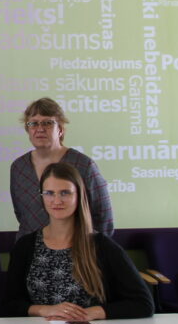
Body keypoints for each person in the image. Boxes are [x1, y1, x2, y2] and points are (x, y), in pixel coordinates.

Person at [4, 163, 152, 320]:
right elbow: (9, 304)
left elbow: (143, 304)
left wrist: (92, 313)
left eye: (65, 193)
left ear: (79, 196)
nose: (57, 201)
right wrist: (44, 310)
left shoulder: (102, 246)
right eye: (49, 193)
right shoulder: (26, 246)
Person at [10, 97, 114, 239]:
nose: (40, 129)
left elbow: (103, 217)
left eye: (47, 123)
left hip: (77, 248)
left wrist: (90, 248)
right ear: (27, 129)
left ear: (60, 129)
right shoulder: (18, 167)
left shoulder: (84, 165)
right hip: (29, 248)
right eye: (33, 123)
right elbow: (21, 215)